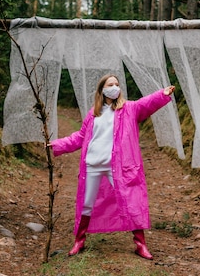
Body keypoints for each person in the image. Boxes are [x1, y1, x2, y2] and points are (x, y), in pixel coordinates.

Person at [48, 73, 175, 260]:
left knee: (131, 202)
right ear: (102, 90)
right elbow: (80, 137)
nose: (115, 87)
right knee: (86, 204)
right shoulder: (93, 114)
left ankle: (140, 244)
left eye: (117, 84)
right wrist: (58, 145)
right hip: (93, 165)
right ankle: (79, 241)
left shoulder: (129, 109)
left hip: (117, 167)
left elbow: (145, 104)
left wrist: (162, 94)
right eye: (110, 84)